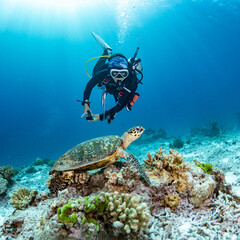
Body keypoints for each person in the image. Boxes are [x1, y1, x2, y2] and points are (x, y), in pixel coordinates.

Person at [81, 32, 143, 124]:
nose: (119, 77)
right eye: (115, 73)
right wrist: (86, 103)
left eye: (123, 74)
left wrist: (102, 117)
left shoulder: (131, 81)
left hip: (119, 89)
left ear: (128, 73)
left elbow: (121, 104)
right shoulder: (105, 73)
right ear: (110, 72)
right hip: (108, 78)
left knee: (125, 98)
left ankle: (108, 52)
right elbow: (90, 85)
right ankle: (107, 50)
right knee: (95, 75)